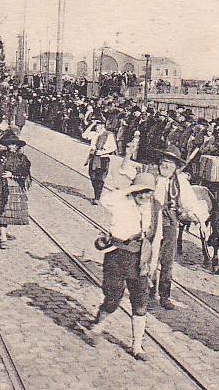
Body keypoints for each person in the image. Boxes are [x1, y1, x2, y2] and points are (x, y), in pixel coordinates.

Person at [89, 172, 158, 361]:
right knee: (113, 297)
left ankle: (137, 346)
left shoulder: (153, 208)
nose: (144, 196)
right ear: (134, 191)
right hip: (117, 255)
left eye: (148, 192)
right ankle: (99, 325)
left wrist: (151, 264)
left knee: (140, 302)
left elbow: (155, 238)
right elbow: (105, 200)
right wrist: (130, 188)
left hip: (140, 258)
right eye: (141, 192)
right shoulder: (120, 204)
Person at [148, 145, 210, 310]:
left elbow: (191, 203)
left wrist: (200, 220)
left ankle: (164, 295)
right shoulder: (151, 175)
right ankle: (148, 293)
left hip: (169, 223)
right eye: (164, 161)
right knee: (148, 258)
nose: (166, 165)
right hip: (149, 222)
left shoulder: (180, 182)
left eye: (170, 162)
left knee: (167, 261)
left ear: (176, 166)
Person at [0, 133, 31, 249]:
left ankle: (3, 235)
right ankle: (3, 237)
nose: (12, 146)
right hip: (0, 185)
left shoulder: (23, 159)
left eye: (14, 144)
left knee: (8, 211)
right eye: (9, 144)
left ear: (18, 146)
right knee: (1, 211)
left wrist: (12, 174)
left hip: (14, 187)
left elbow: (25, 173)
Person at [82, 118, 117, 204]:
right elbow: (84, 135)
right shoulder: (94, 134)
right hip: (93, 158)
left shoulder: (108, 135)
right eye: (96, 125)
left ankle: (97, 198)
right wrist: (92, 124)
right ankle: (96, 194)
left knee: (100, 178)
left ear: (102, 126)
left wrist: (102, 152)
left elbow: (113, 148)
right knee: (92, 176)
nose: (96, 127)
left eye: (98, 125)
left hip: (103, 159)